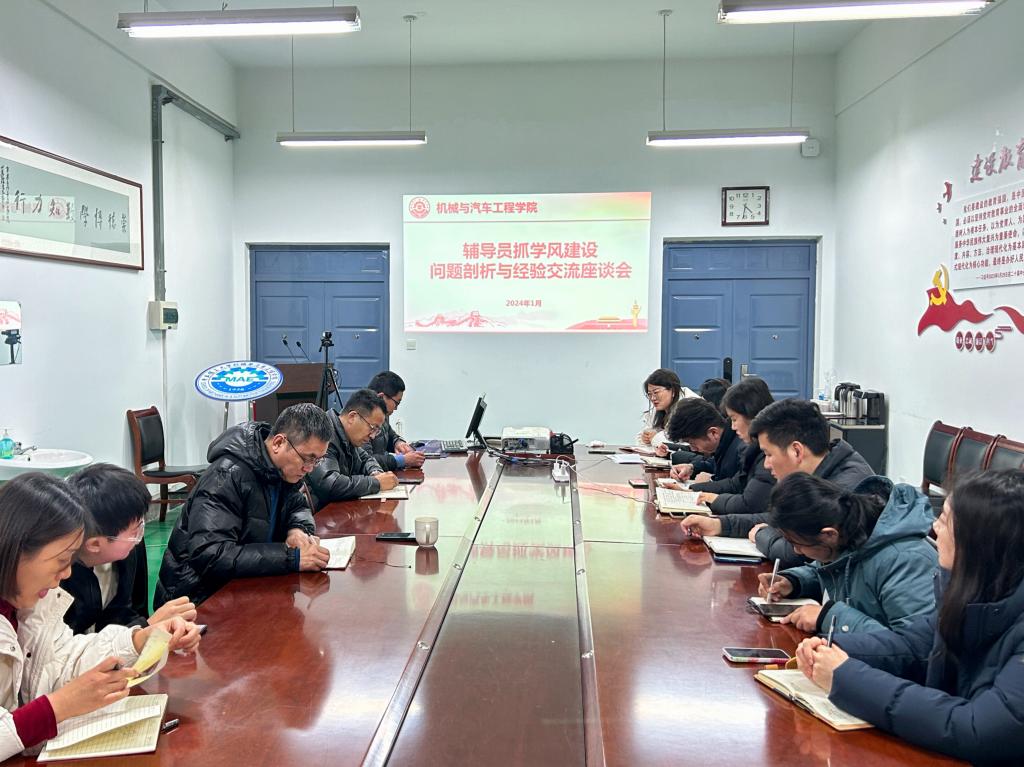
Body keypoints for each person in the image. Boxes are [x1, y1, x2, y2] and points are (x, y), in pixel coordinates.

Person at [795, 469, 1024, 763]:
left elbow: (977, 729)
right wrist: (833, 648)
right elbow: (914, 646)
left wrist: (846, 678)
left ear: (980, 542)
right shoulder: (971, 588)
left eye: (945, 520)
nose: (934, 528)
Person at [0, 473, 200, 761]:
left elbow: (63, 657)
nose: (67, 573)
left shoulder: (31, 606)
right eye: (61, 560)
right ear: (16, 549)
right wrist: (58, 707)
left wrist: (140, 639)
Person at [155, 403, 333, 607]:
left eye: (317, 461)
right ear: (278, 443)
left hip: (247, 583)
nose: (309, 469)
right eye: (307, 459)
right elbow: (211, 553)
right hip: (198, 597)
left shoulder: (282, 470)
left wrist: (297, 530)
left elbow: (298, 506)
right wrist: (291, 558)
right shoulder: (226, 476)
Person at [679, 398, 873, 566]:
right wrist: (720, 525)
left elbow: (794, 552)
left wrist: (761, 535)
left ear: (796, 451)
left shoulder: (843, 491)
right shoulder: (821, 472)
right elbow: (777, 519)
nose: (766, 464)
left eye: (769, 454)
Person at [756, 473, 937, 634]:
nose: (796, 551)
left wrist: (827, 617)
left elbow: (914, 645)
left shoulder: (905, 560)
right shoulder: (852, 528)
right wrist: (794, 582)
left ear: (829, 535)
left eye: (798, 544)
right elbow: (836, 570)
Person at [62, 464, 197, 633]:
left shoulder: (129, 549)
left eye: (141, 523)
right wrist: (149, 625)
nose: (140, 535)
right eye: (134, 531)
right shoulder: (58, 576)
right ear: (95, 544)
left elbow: (135, 610)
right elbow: (66, 643)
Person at [689, 377, 776, 516]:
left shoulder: (767, 449)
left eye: (734, 419)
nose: (733, 426)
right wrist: (692, 490)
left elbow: (750, 505)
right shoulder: (753, 447)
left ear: (752, 415)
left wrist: (712, 499)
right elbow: (737, 483)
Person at [306, 388, 399, 508]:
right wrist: (376, 482)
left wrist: (376, 473)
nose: (373, 436)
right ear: (352, 417)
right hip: (319, 515)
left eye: (377, 430)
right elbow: (330, 484)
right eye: (372, 428)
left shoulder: (348, 436)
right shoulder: (324, 434)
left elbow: (367, 459)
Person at [665, 398, 742, 483]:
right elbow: (715, 464)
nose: (693, 449)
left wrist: (709, 483)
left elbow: (739, 486)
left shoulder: (741, 448)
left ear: (713, 433)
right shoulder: (727, 441)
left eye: (692, 443)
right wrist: (691, 467)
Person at [366, 371, 425, 471]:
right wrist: (402, 460)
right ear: (381, 397)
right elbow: (365, 460)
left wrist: (398, 443)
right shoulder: (362, 420)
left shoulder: (381, 415)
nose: (396, 408)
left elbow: (391, 435)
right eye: (396, 403)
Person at [637, 368, 697, 447]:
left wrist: (656, 438)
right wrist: (645, 438)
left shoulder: (690, 407)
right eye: (649, 394)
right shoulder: (659, 406)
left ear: (673, 391)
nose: (652, 398)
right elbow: (645, 433)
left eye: (656, 392)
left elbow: (687, 446)